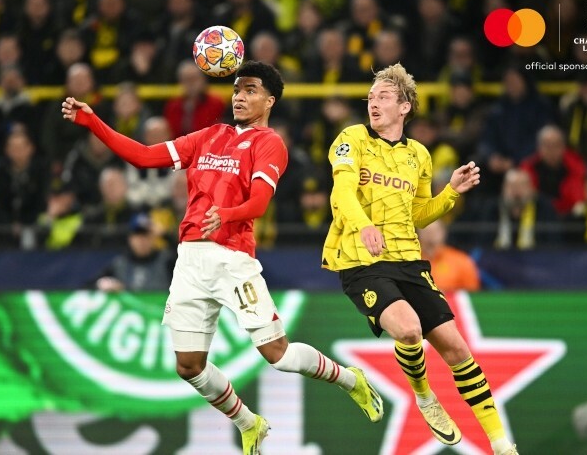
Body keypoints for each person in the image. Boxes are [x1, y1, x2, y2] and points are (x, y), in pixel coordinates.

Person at [61, 60, 383, 455]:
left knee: (277, 356)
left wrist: (225, 215)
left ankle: (351, 381)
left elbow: (260, 203)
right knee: (189, 367)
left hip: (233, 260)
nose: (240, 97)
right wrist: (94, 123)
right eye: (236, 90)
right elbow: (144, 156)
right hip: (190, 261)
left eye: (250, 90)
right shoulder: (209, 135)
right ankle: (249, 423)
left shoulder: (270, 144)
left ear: (270, 99)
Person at [322, 63, 518, 455]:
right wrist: (363, 226)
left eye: (383, 97)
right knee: (409, 330)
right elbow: (342, 194)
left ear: (405, 107)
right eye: (370, 97)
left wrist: (450, 193)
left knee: (458, 350)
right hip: (360, 259)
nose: (373, 104)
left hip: (408, 260)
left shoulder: (419, 155)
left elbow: (415, 215)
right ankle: (425, 396)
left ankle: (501, 445)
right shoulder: (352, 139)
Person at [418, 219, 480, 292]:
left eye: (434, 231)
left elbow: (473, 296)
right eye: (426, 231)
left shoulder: (461, 261)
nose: (430, 235)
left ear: (443, 232)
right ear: (418, 233)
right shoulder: (410, 261)